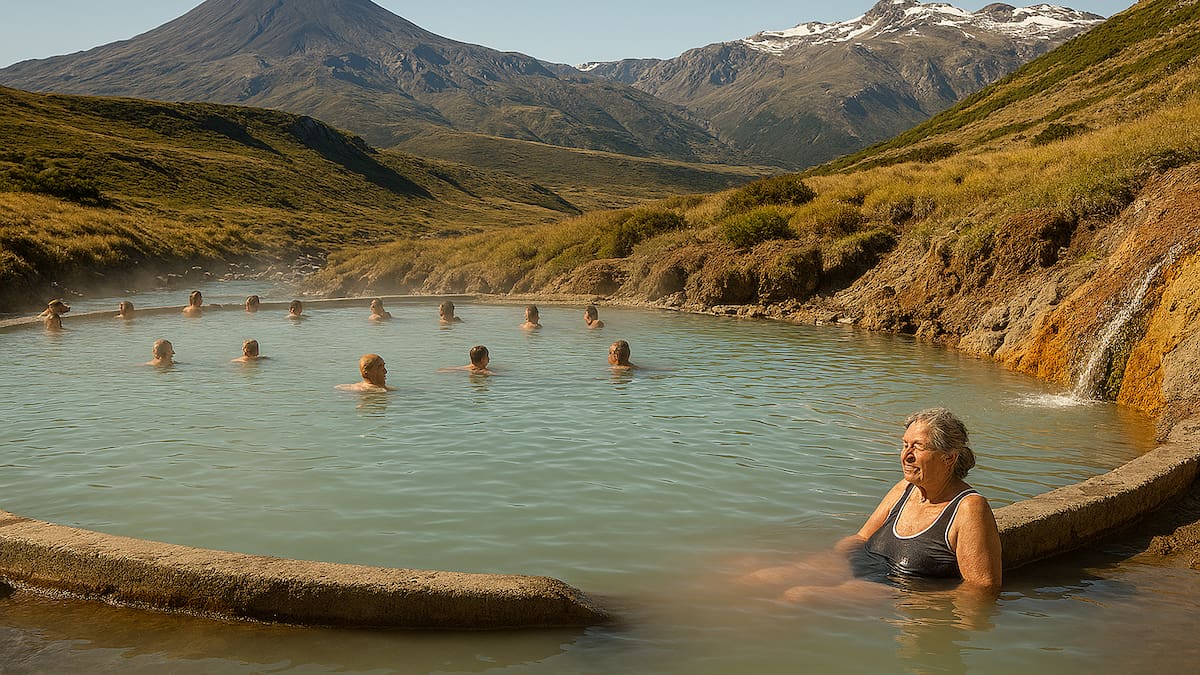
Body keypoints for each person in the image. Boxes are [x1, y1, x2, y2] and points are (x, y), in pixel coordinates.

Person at [752, 408, 1002, 599]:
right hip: (861, 566)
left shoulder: (969, 508)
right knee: (760, 577)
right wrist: (819, 562)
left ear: (949, 457)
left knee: (799, 596)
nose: (906, 455)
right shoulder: (904, 488)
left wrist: (913, 602)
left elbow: (981, 588)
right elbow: (861, 538)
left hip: (899, 590)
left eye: (917, 447)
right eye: (905, 445)